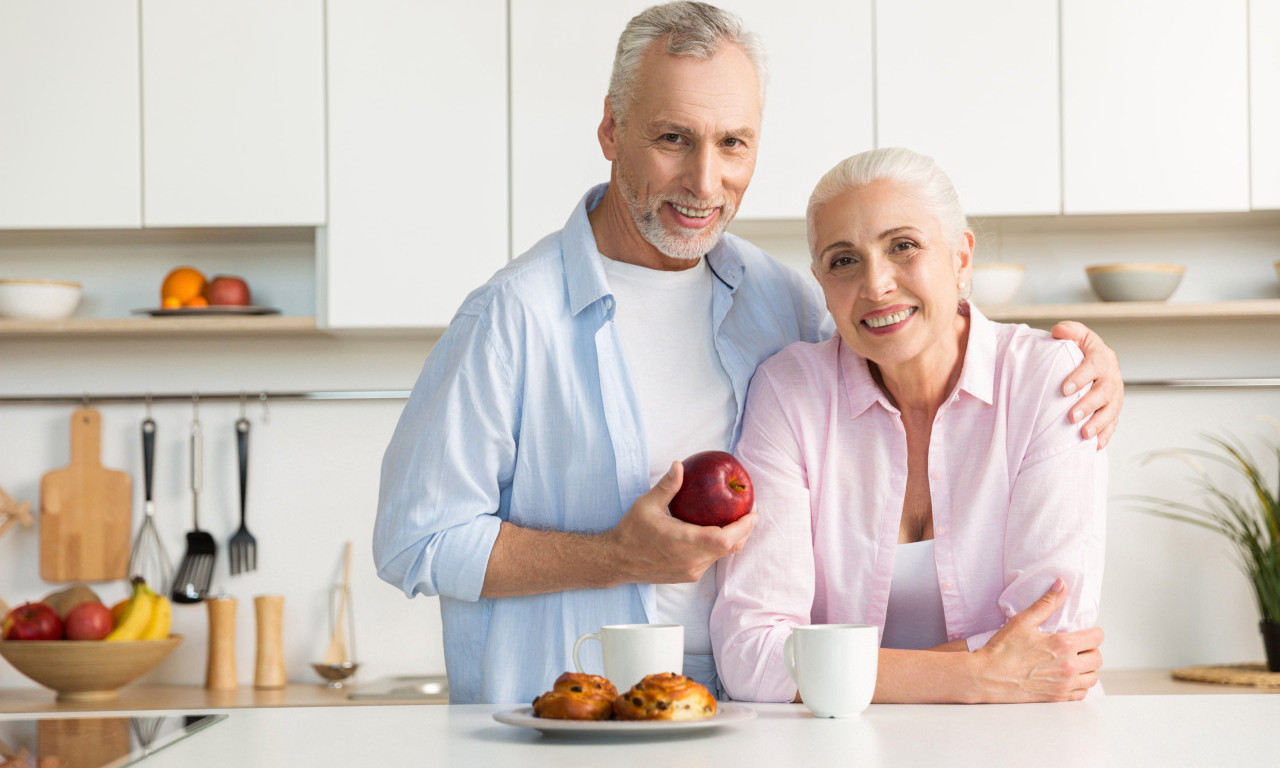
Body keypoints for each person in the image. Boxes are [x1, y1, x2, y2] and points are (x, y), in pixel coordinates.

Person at [374, 2, 1121, 705]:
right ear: (611, 131)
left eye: (732, 142)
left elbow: (903, 337)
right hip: (567, 720)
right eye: (673, 139)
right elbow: (417, 541)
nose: (706, 181)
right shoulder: (511, 319)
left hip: (736, 720)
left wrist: (1079, 366)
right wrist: (616, 555)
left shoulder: (780, 302)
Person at [711, 147, 1107, 704]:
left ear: (961, 259)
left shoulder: (1047, 380)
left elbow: (1054, 642)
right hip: (840, 744)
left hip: (1025, 736)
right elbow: (750, 654)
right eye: (843, 260)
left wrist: (831, 674)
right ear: (821, 282)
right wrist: (976, 675)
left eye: (903, 246)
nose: (875, 285)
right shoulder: (789, 392)